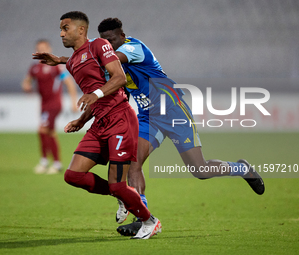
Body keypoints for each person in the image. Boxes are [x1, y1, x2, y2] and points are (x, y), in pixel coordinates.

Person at [33, 16, 264, 236]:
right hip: (147, 116)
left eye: (112, 40)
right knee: (134, 163)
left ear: (122, 35)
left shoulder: (134, 48)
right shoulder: (105, 50)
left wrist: (82, 57)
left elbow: (106, 57)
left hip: (173, 110)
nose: (108, 44)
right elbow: (94, 54)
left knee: (199, 170)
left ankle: (242, 168)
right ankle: (140, 217)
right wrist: (62, 59)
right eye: (105, 40)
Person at [33, 11, 161, 239]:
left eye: (65, 28)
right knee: (73, 175)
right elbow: (85, 74)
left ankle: (149, 221)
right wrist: (81, 120)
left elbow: (119, 78)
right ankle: (122, 197)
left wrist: (97, 93)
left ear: (81, 30)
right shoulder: (72, 62)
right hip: (100, 123)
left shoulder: (100, 45)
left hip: (121, 119)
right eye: (60, 29)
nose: (61, 33)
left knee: (118, 184)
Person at [22, 39, 79, 174]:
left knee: (43, 129)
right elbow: (26, 82)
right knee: (47, 131)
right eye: (39, 49)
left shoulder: (56, 66)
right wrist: (26, 86)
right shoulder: (34, 68)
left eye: (44, 48)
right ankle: (51, 163)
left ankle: (51, 163)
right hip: (43, 104)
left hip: (54, 104)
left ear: (49, 49)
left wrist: (73, 102)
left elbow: (69, 83)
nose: (42, 51)